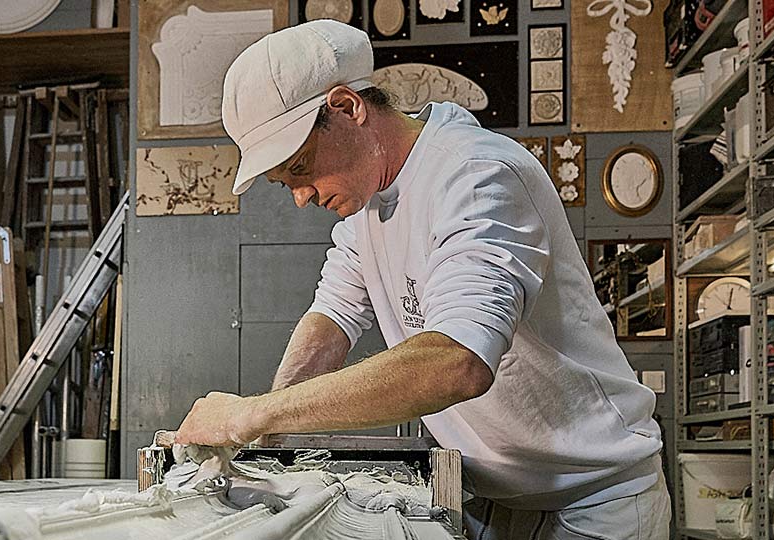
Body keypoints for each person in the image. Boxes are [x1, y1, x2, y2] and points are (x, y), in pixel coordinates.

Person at [172, 20, 670, 540]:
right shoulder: (364, 212)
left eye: (300, 168)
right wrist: (268, 435)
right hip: (491, 495)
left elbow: (457, 361)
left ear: (347, 107)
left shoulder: (476, 175)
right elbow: (332, 317)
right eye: (285, 182)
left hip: (594, 498)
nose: (300, 196)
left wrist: (253, 415)